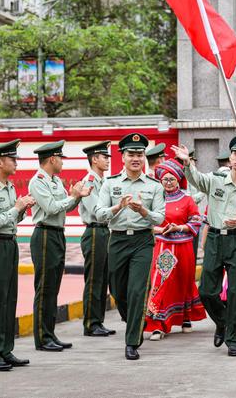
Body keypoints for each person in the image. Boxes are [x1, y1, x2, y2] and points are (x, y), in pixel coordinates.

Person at [172, 136, 236, 357]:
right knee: (207, 291)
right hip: (215, 239)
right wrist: (187, 163)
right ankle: (223, 321)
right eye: (235, 154)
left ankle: (234, 339)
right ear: (230, 156)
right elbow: (197, 180)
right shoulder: (217, 178)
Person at [95, 133, 166, 360]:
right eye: (131, 154)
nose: (136, 158)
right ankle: (133, 318)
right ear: (123, 157)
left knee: (137, 291)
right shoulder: (110, 183)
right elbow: (99, 214)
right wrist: (118, 207)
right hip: (117, 240)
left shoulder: (154, 186)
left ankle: (132, 341)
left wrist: (142, 211)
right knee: (117, 289)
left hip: (142, 241)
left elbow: (160, 218)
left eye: (140, 154)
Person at [0, 139, 35, 371]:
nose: (16, 163)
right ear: (0, 162)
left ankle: (5, 349)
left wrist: (21, 208)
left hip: (10, 244)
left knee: (10, 298)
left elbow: (12, 220)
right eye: (12, 159)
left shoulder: (10, 187)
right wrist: (17, 207)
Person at [29, 140, 90, 352]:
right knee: (44, 288)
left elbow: (65, 207)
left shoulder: (55, 181)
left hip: (57, 234)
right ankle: (42, 338)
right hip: (44, 234)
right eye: (61, 158)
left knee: (53, 287)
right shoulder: (37, 181)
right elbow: (51, 207)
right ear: (52, 159)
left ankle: (50, 333)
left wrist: (77, 197)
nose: (63, 162)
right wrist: (72, 197)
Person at [145, 160, 206, 340]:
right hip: (164, 247)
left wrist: (178, 228)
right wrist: (160, 230)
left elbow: (196, 221)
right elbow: (147, 221)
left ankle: (185, 317)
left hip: (184, 246)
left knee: (184, 281)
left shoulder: (187, 200)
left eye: (172, 179)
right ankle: (158, 325)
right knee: (160, 283)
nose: (168, 182)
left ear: (179, 180)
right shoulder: (156, 199)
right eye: (165, 179)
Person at [78, 141, 115, 337]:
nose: (108, 160)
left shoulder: (103, 182)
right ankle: (91, 323)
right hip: (94, 231)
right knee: (94, 279)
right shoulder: (89, 182)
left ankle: (98, 321)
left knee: (103, 279)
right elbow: (97, 212)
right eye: (104, 157)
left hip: (104, 232)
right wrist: (116, 210)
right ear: (94, 159)